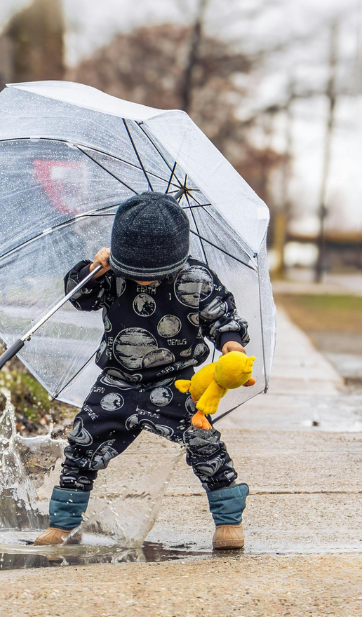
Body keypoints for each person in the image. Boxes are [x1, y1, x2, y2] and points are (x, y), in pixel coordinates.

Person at [34, 192, 251, 551]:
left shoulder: (196, 278)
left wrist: (231, 345)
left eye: (155, 275)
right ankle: (63, 524)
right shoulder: (110, 274)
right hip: (116, 380)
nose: (144, 281)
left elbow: (222, 317)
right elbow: (78, 297)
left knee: (204, 443)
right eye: (135, 273)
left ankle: (228, 521)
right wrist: (92, 270)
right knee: (81, 444)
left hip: (175, 380)